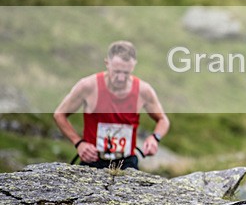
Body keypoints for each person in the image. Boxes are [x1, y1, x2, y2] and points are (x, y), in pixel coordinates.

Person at [54, 40, 170, 170]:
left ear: (133, 66)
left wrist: (154, 138)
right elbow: (59, 115)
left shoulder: (143, 91)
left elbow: (163, 120)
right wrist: (79, 143)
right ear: (107, 63)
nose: (121, 78)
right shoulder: (88, 86)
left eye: (126, 73)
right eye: (116, 71)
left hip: (127, 162)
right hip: (93, 160)